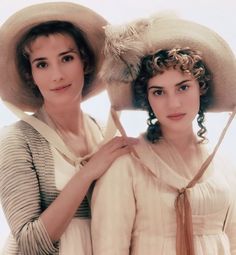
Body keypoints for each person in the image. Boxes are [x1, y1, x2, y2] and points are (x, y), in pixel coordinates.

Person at [91, 15, 236, 255]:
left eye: (183, 87)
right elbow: (109, 248)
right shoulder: (126, 165)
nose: (173, 103)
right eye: (159, 92)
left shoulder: (224, 169)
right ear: (146, 99)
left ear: (200, 88)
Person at [0, 2, 137, 255]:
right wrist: (88, 172)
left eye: (66, 58)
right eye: (42, 64)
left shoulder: (104, 134)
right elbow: (30, 243)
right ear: (31, 75)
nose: (57, 75)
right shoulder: (17, 140)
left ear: (84, 62)